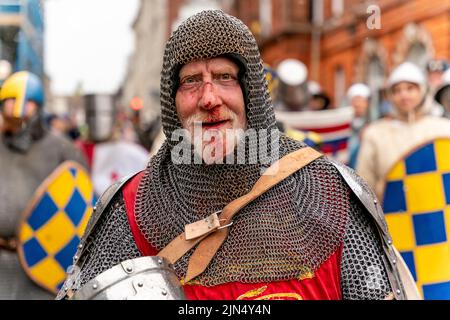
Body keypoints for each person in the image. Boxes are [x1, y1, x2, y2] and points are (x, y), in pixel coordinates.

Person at [58, 10, 413, 300]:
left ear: (251, 92)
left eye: (225, 77)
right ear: (172, 101)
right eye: (191, 81)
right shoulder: (132, 208)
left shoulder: (331, 194)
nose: (209, 98)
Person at [0, 71, 88, 299]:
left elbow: (83, 208)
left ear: (36, 106)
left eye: (18, 102)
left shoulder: (63, 150)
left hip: (42, 268)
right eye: (6, 102)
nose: (12, 110)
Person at [356, 62, 450, 200]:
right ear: (390, 95)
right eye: (397, 90)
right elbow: (365, 185)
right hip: (394, 215)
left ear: (422, 90)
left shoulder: (443, 128)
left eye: (410, 88)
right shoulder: (375, 133)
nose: (404, 95)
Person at [346, 83, 371, 169]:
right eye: (355, 101)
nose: (358, 104)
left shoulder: (372, 124)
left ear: (366, 104)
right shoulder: (345, 125)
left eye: (361, 101)